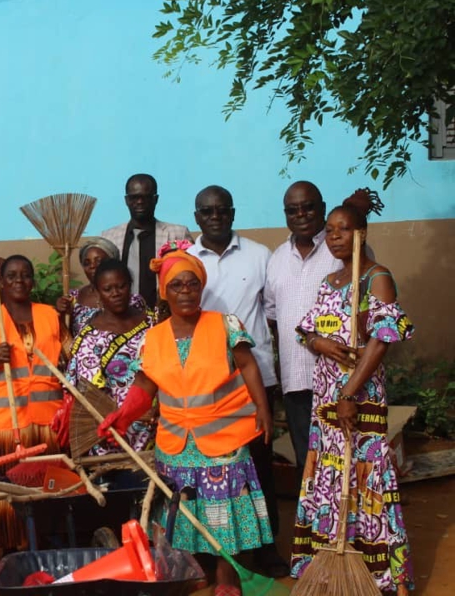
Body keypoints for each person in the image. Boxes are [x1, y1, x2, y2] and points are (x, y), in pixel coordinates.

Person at [98, 242, 273, 596]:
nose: (186, 292)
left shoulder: (225, 325)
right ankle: (193, 572)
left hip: (225, 437)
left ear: (201, 287)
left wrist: (264, 411)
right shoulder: (154, 338)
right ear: (165, 291)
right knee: (185, 512)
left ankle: (227, 577)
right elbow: (144, 385)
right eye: (177, 285)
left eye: (192, 283)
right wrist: (123, 415)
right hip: (176, 443)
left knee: (226, 513)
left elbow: (248, 365)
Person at [291, 189, 413, 595]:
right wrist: (319, 343)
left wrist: (349, 392)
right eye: (330, 231)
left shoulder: (377, 277)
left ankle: (378, 576)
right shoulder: (331, 281)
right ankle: (331, 567)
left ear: (361, 233)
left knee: (363, 477)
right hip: (325, 400)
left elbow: (381, 340)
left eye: (344, 229)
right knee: (331, 478)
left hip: (358, 396)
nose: (335, 236)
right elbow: (306, 330)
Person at [187, 185, 286, 577]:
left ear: (232, 212)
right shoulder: (185, 260)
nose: (215, 216)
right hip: (204, 386)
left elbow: (274, 315)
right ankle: (213, 554)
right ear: (196, 217)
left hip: (253, 378)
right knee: (208, 469)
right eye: (207, 211)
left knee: (258, 467)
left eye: (222, 210)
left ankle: (265, 550)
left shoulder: (260, 255)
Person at [264, 181, 372, 470]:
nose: (301, 215)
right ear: (285, 215)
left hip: (342, 377)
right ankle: (313, 516)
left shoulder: (342, 247)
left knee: (347, 456)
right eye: (293, 210)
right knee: (308, 462)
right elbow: (274, 320)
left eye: (308, 207)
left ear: (322, 209)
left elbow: (367, 303)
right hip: (296, 378)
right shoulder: (276, 259)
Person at [0, 254, 68, 548]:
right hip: (3, 425)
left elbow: (71, 357)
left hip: (46, 421)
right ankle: (11, 554)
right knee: (5, 496)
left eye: (24, 275)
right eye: (11, 276)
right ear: (2, 283)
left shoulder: (50, 316)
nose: (19, 281)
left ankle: (48, 549)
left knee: (47, 490)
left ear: (33, 281)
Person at [63, 258, 155, 457]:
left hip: (150, 427)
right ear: (96, 292)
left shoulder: (153, 325)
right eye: (108, 289)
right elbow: (85, 390)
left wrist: (157, 409)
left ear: (130, 285)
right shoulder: (88, 336)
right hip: (106, 433)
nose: (116, 293)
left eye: (121, 286)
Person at [101, 174, 192, 308]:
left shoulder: (178, 234)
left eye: (145, 197)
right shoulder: (109, 237)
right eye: (134, 197)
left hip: (165, 315)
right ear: (126, 200)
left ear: (155, 199)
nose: (139, 202)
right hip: (124, 320)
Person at [55, 237, 150, 335]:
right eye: (87, 263)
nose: (92, 266)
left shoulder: (133, 300)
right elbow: (63, 335)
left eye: (99, 261)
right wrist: (61, 313)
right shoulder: (72, 298)